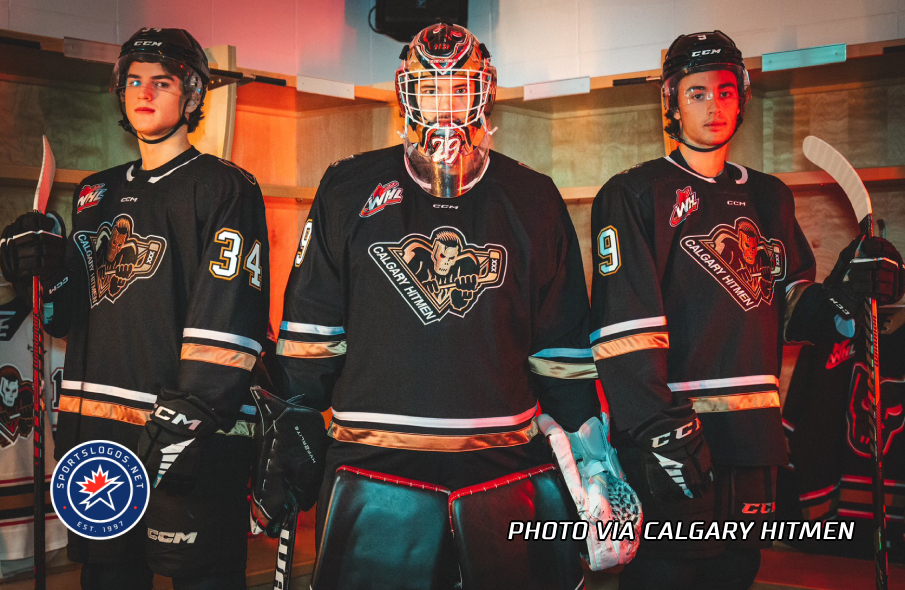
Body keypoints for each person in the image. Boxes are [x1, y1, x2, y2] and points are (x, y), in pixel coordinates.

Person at [256, 22, 630, 589]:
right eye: (431, 89)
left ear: (484, 92)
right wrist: (295, 420)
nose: (445, 104)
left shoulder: (533, 197)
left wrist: (595, 462)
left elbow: (562, 352)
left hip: (504, 468)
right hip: (372, 466)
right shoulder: (348, 185)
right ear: (407, 94)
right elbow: (312, 330)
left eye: (459, 86)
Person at [589, 30, 905, 590]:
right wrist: (661, 433)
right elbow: (623, 334)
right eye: (698, 93)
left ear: (743, 97)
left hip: (753, 443)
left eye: (726, 91)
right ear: (670, 99)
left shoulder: (770, 197)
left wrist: (846, 289)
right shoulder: (636, 194)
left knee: (736, 576)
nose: (715, 105)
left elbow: (791, 308)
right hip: (678, 443)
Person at [0, 28, 270, 590]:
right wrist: (40, 265)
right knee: (108, 578)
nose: (144, 93)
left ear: (192, 95)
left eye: (162, 82)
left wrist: (188, 413)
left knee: (203, 578)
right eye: (133, 82)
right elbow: (67, 317)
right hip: (97, 436)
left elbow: (230, 312)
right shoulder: (93, 193)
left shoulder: (225, 188)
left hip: (184, 434)